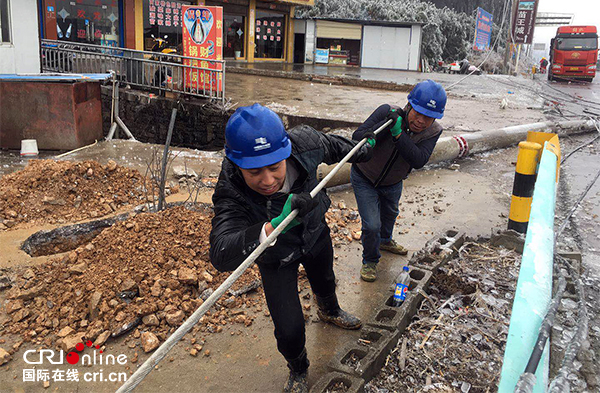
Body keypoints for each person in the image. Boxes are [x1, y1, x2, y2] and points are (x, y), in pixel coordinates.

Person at [209, 104, 373, 393]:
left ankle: (329, 310)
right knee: (289, 328)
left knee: (324, 279)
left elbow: (338, 147)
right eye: (255, 172)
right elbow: (221, 252)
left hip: (313, 232)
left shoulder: (306, 143)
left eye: (275, 167)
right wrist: (272, 227)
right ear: (237, 165)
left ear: (285, 152)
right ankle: (298, 368)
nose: (269, 180)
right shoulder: (230, 189)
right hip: (275, 256)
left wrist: (365, 146)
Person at [351, 80, 447, 282]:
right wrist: (380, 129)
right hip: (364, 176)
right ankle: (370, 261)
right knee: (372, 225)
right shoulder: (388, 112)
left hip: (393, 182)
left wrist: (398, 134)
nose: (421, 121)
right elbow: (357, 136)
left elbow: (419, 159)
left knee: (390, 213)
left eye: (428, 117)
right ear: (409, 106)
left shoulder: (433, 132)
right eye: (418, 113)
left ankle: (385, 241)